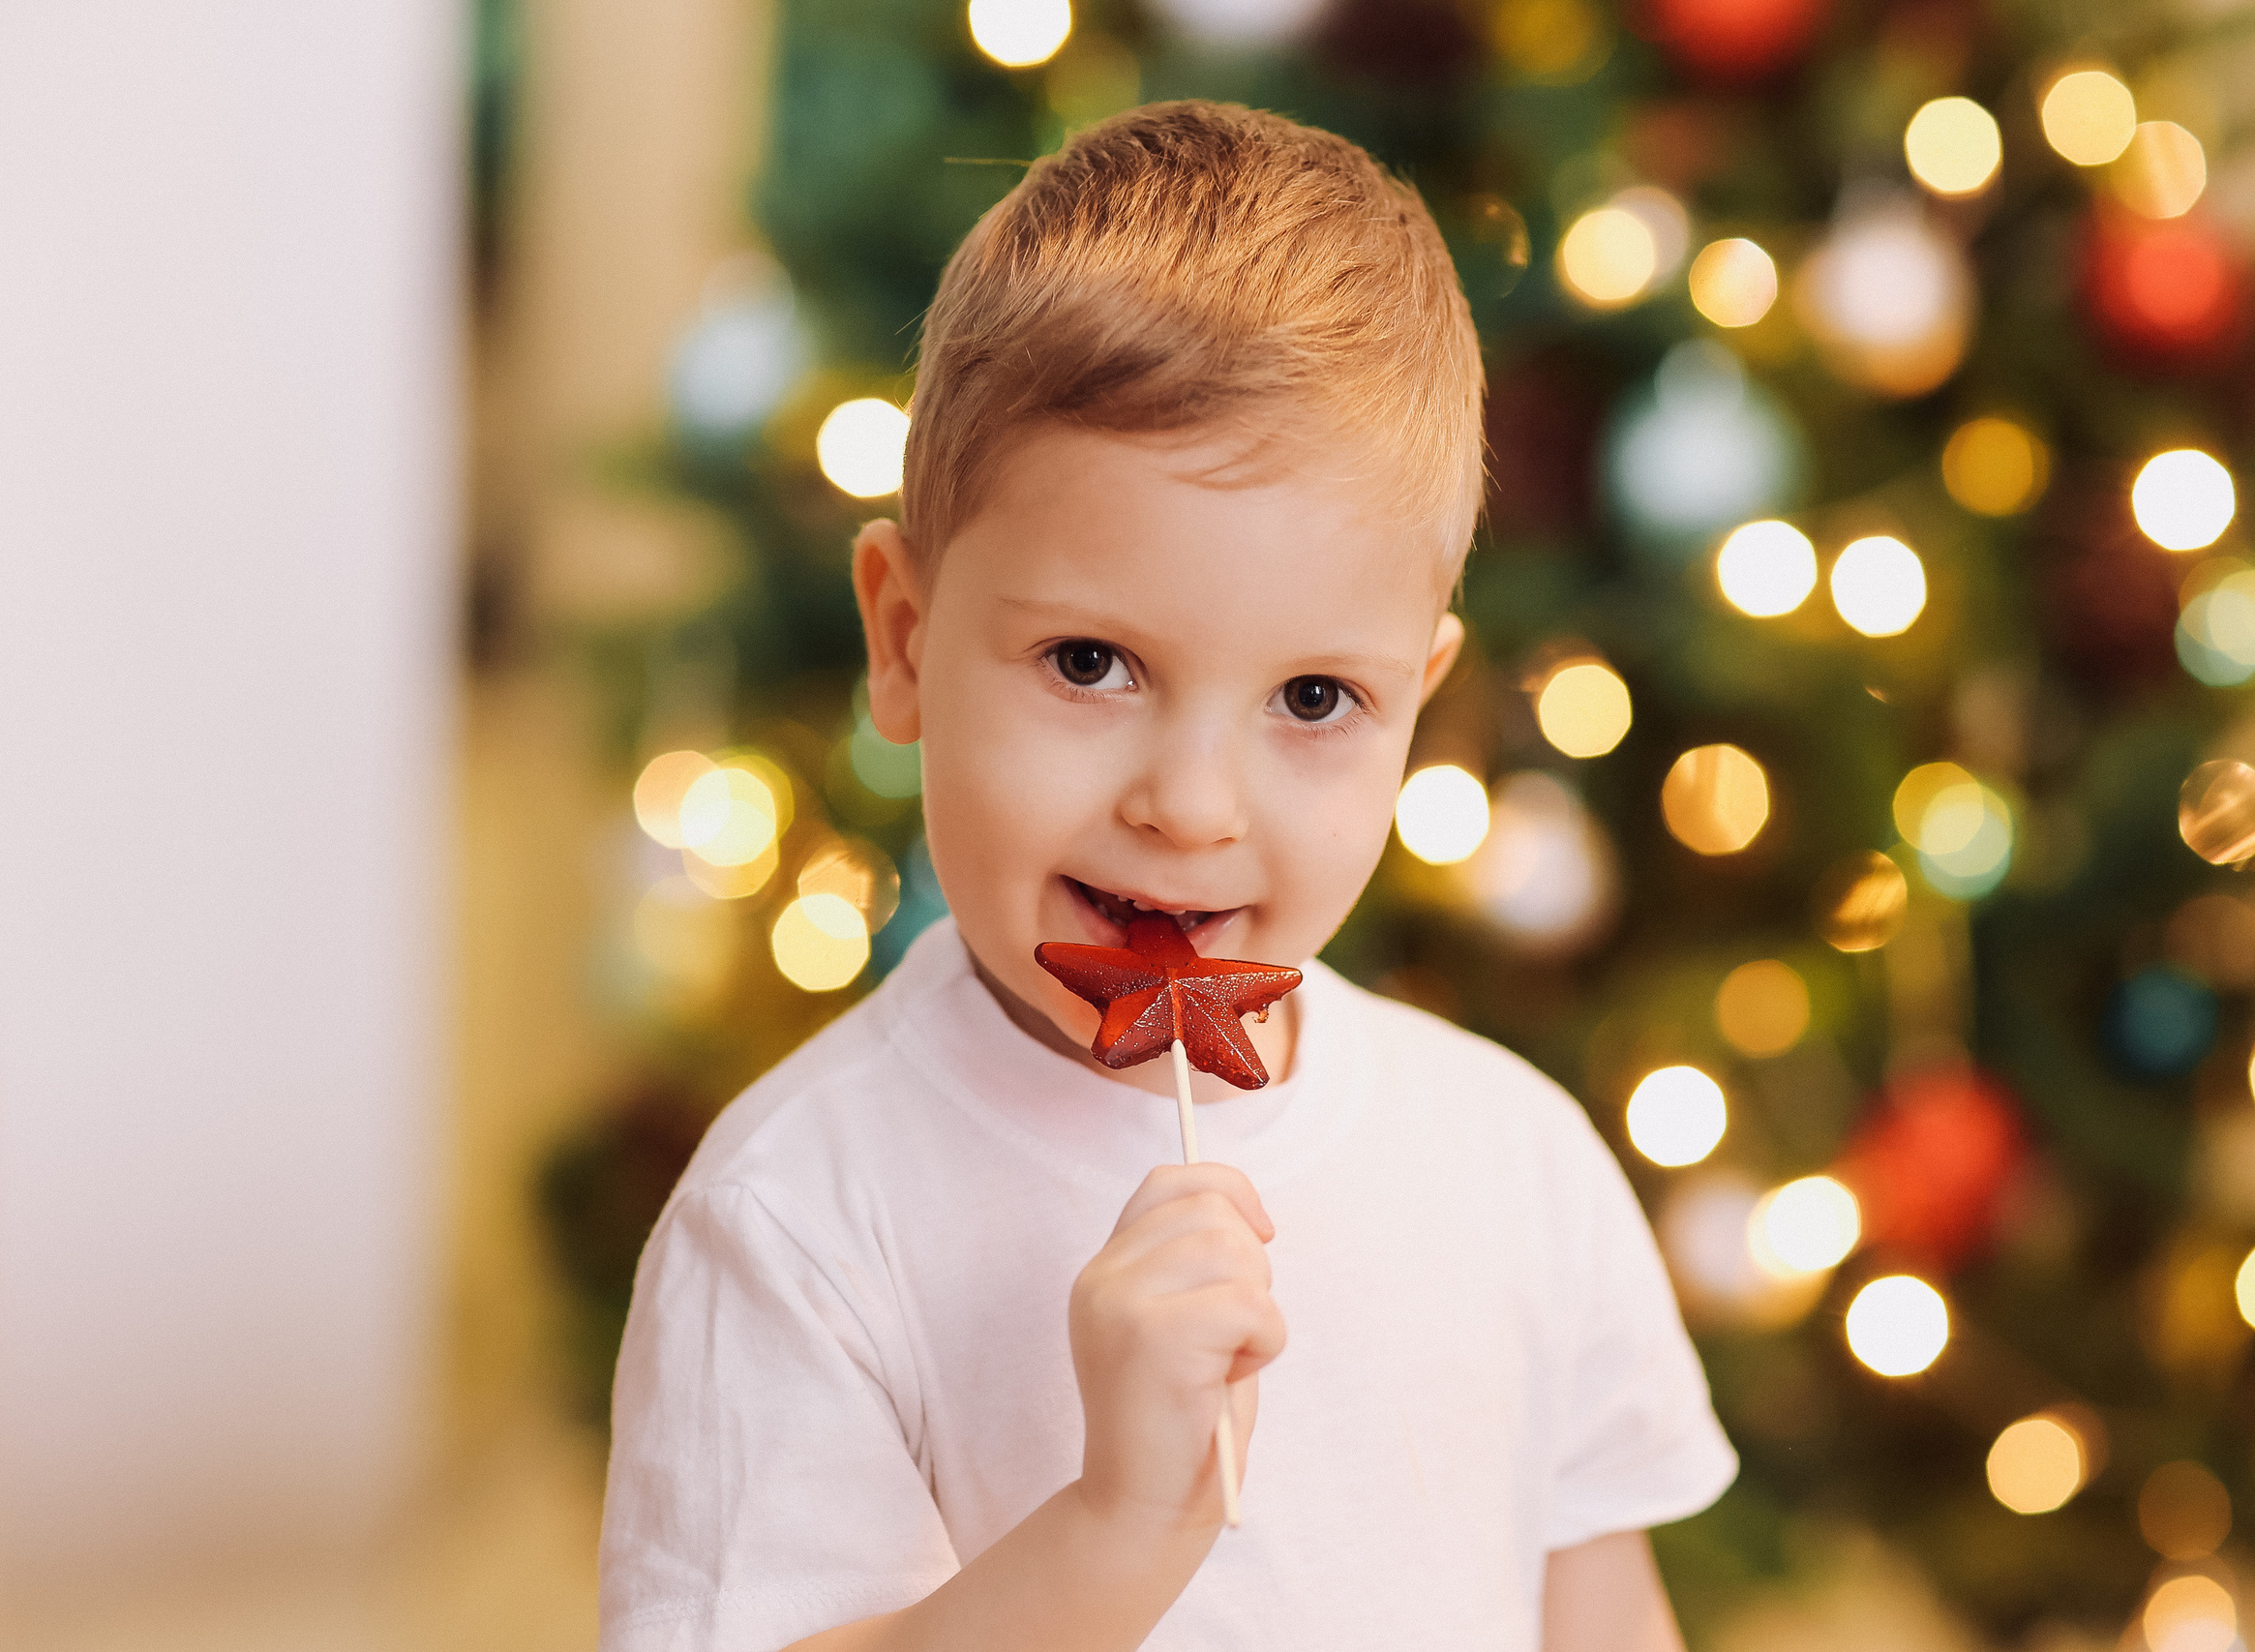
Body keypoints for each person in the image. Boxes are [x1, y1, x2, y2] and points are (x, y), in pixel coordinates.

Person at [599, 101, 1735, 1652]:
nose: (1191, 808)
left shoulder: (1518, 1168)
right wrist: (1115, 1531)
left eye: (1316, 700)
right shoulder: (797, 1221)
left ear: (1422, 694)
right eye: (1091, 662)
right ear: (906, 641)